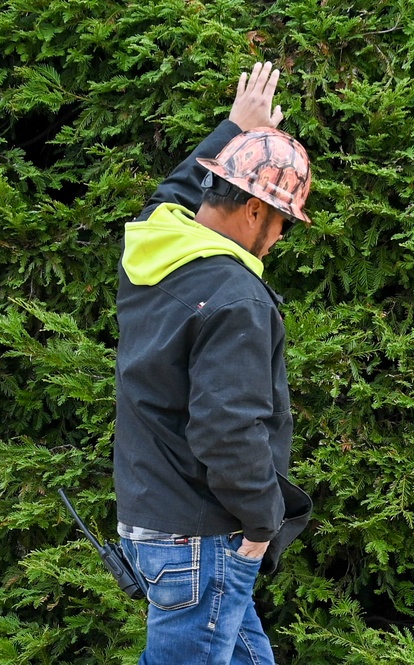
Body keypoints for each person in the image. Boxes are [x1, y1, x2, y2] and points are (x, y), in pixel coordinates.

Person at [113, 61, 313, 665]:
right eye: (280, 222)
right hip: (200, 542)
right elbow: (227, 430)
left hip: (155, 519)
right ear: (254, 211)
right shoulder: (237, 298)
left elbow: (170, 195)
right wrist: (260, 527)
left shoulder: (155, 250)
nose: (278, 238)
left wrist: (231, 130)